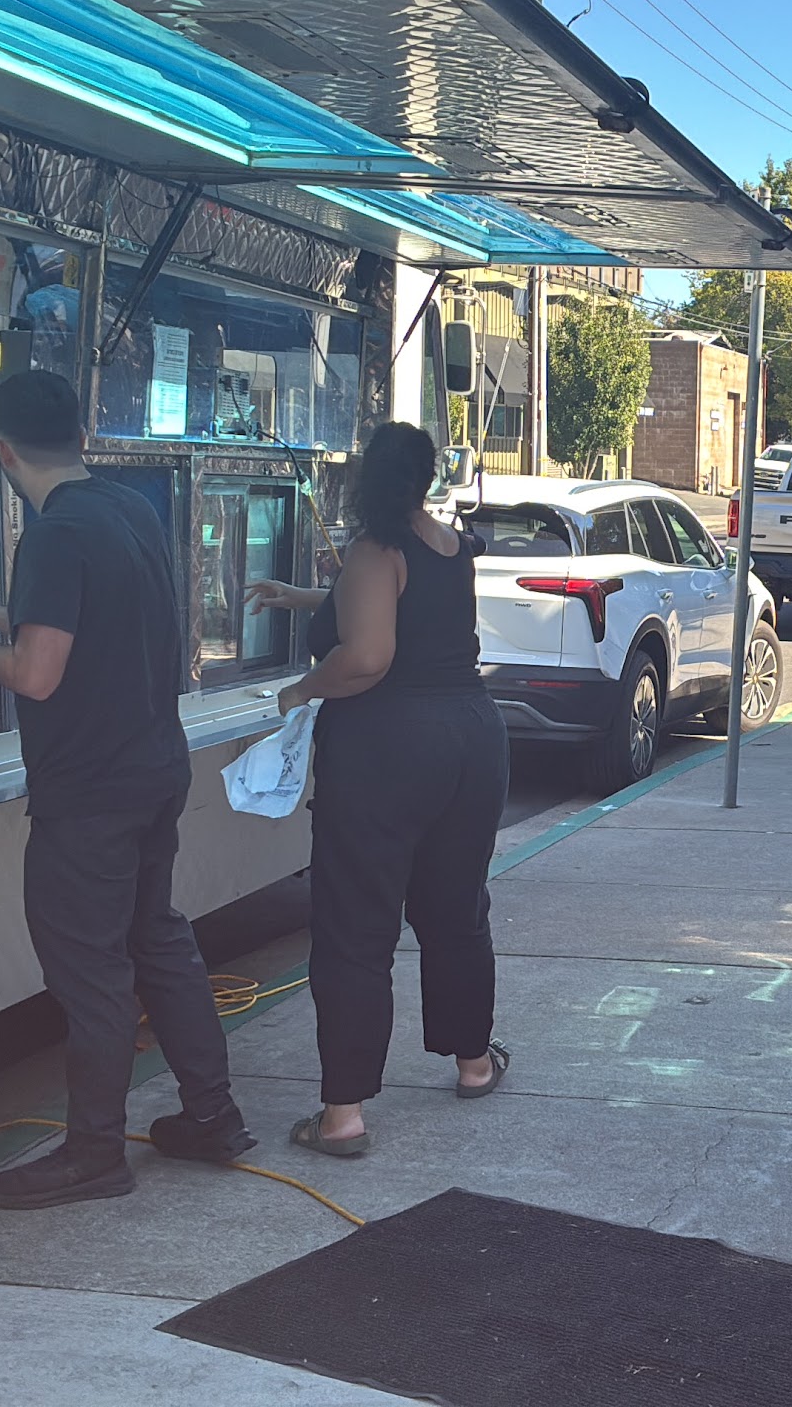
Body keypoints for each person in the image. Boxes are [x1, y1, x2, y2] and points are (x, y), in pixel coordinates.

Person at [0, 369, 248, 1209]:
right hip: (153, 767)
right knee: (158, 940)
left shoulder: (55, 535)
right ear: (84, 439)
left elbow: (36, 674)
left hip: (89, 789)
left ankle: (95, 1153)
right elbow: (96, 623)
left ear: (1, 451)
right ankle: (214, 1115)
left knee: (92, 971)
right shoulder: (128, 509)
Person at [253, 421, 508, 1158]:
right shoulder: (448, 545)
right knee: (456, 910)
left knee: (357, 927)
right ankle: (473, 1062)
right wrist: (304, 597)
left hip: (388, 749)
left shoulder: (375, 549)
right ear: (427, 477)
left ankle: (343, 1117)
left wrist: (302, 689)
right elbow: (408, 614)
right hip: (471, 740)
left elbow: (367, 654)